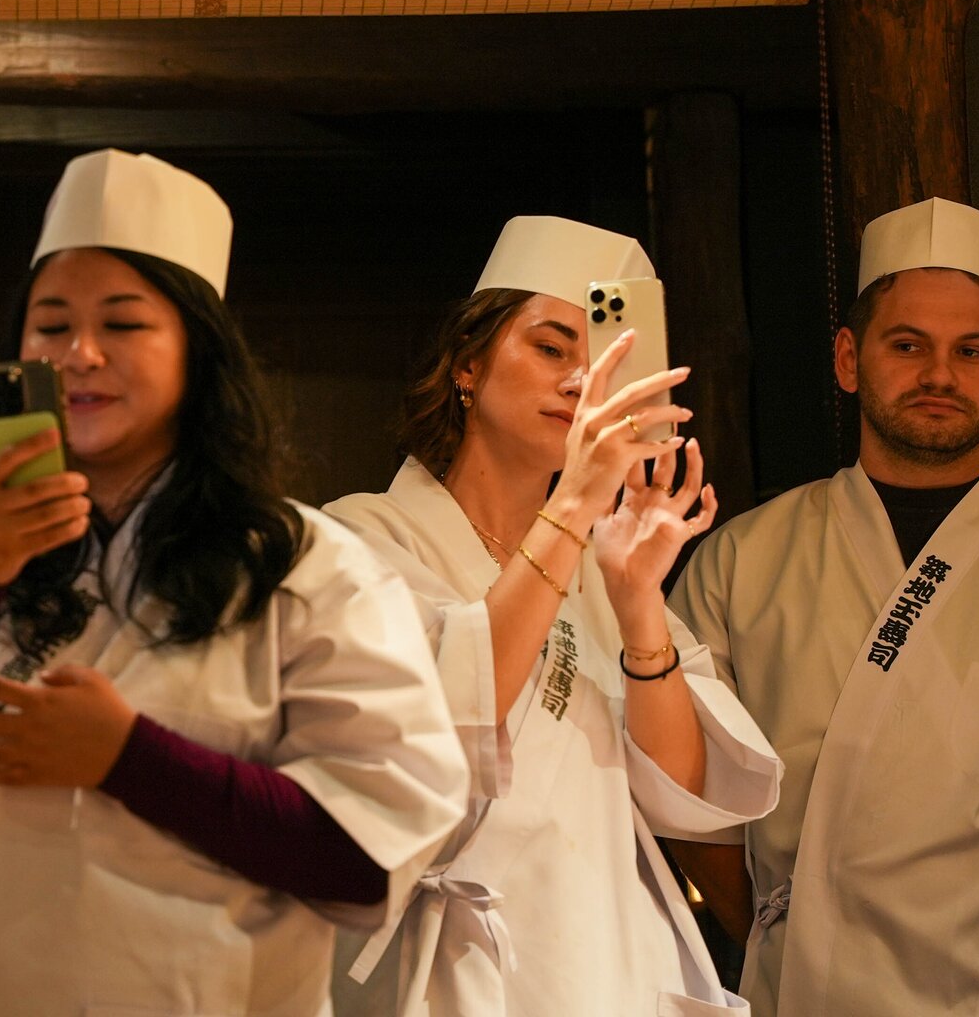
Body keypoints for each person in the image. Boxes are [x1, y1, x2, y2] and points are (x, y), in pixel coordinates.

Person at [0, 148, 468, 1017]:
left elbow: (369, 851)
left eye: (125, 323)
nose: (81, 353)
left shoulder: (304, 567)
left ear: (198, 350)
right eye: (52, 324)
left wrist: (129, 758)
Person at [326, 215, 781, 1017]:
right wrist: (575, 505)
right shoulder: (359, 537)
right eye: (551, 347)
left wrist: (639, 603)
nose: (579, 381)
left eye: (602, 363)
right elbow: (441, 721)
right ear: (468, 363)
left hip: (606, 950)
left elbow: (683, 794)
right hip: (451, 969)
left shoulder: (605, 564)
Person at [669, 197, 979, 1016]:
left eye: (971, 351)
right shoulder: (743, 557)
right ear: (849, 359)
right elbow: (687, 801)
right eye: (907, 345)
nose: (940, 375)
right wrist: (795, 927)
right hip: (805, 986)